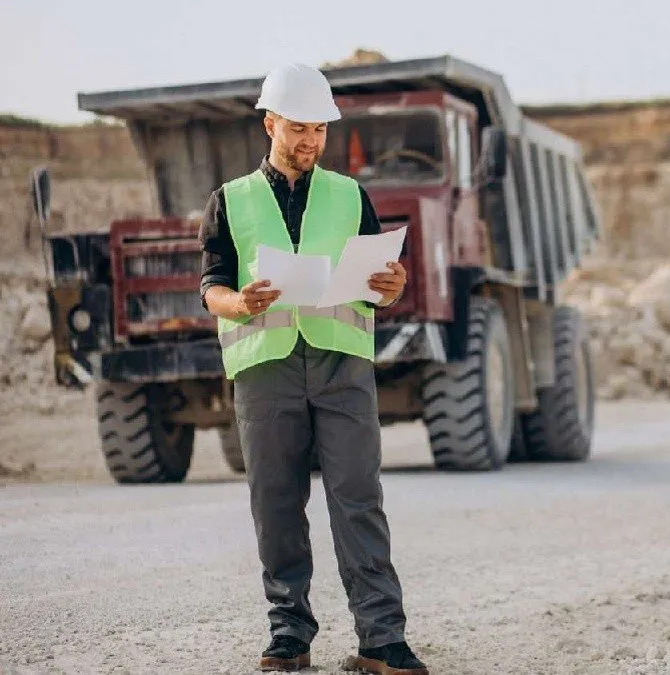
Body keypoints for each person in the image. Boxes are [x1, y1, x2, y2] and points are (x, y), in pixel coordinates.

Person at [198, 63, 428, 675]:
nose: (310, 141)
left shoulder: (351, 196)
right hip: (266, 368)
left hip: (340, 363)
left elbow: (381, 287)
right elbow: (211, 288)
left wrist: (392, 285)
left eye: (320, 130)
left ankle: (382, 640)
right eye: (299, 127)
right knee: (276, 500)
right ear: (269, 123)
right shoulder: (231, 201)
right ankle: (289, 635)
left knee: (358, 496)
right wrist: (239, 302)